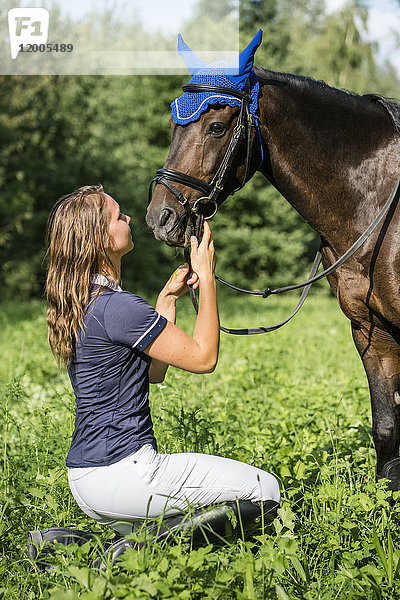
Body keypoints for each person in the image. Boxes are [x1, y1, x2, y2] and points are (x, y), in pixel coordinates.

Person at [41, 184, 279, 550]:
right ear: (99, 238)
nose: (129, 218)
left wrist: (167, 299)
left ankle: (78, 543)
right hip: (126, 473)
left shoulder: (86, 303)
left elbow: (151, 372)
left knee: (186, 516)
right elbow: (204, 358)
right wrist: (208, 277)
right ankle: (128, 549)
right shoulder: (119, 308)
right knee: (266, 492)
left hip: (87, 478)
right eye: (119, 216)